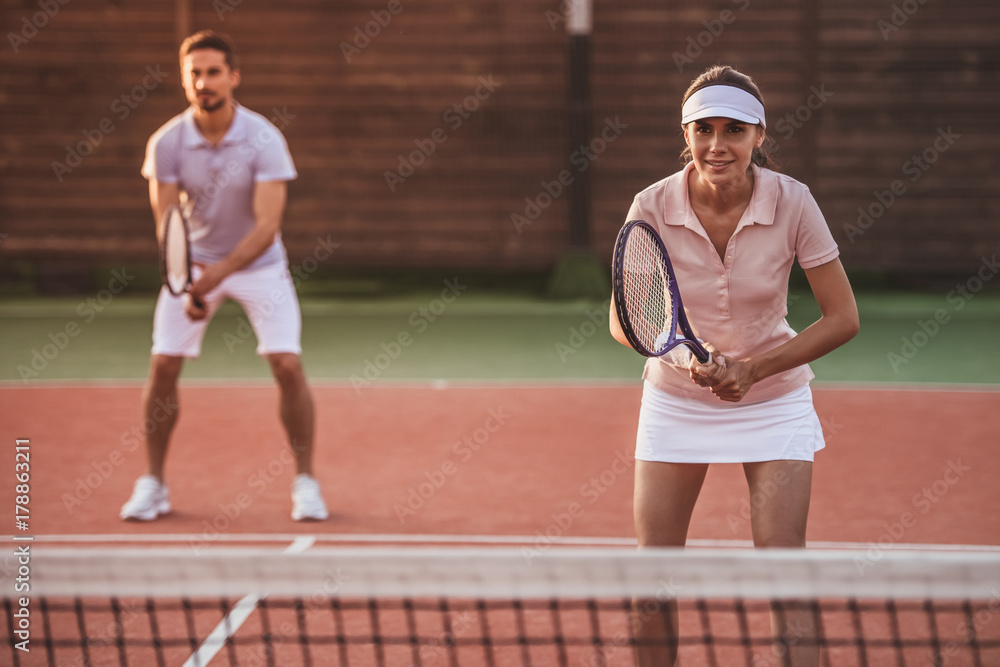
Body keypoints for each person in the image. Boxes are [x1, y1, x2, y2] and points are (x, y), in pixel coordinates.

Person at [609, 65, 859, 666]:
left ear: (759, 136)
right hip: (675, 401)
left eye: (734, 130)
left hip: (774, 400)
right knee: (653, 581)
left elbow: (842, 318)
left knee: (784, 571)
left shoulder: (793, 199)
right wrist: (680, 356)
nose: (717, 145)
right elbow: (623, 321)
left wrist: (754, 370)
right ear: (686, 134)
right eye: (703, 130)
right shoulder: (651, 203)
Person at [121, 30, 329, 522]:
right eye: (194, 73)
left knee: (287, 365)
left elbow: (267, 227)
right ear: (184, 80)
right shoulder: (167, 142)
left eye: (213, 72)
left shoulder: (264, 139)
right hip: (193, 265)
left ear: (233, 77)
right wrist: (184, 278)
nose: (203, 81)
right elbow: (167, 224)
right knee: (164, 366)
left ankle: (306, 482)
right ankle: (153, 484)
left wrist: (216, 276)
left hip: (259, 266)